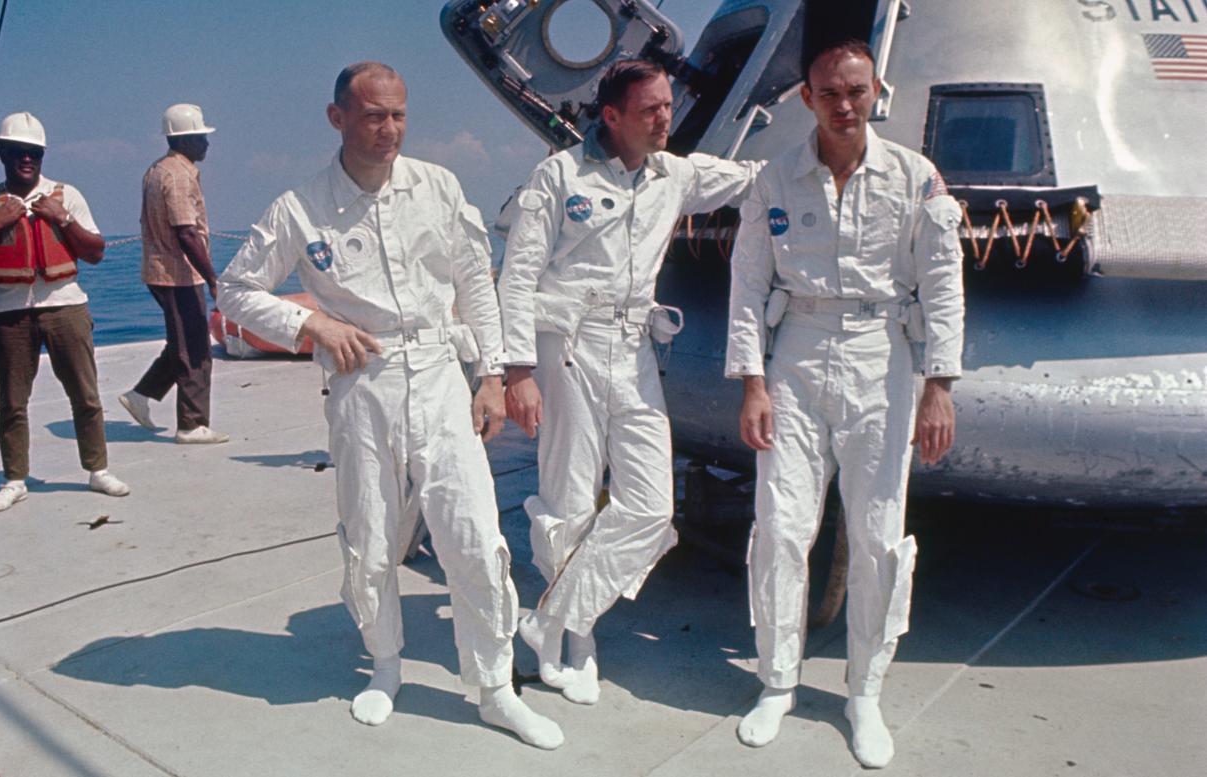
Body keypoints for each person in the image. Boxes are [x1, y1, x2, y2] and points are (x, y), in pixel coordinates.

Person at [216, 62, 563, 749]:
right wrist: (310, 324)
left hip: (439, 374)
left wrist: (491, 375)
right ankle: (386, 664)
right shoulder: (300, 208)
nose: (389, 129)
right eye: (374, 115)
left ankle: (495, 686)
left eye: (399, 114)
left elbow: (476, 283)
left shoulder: (437, 186)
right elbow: (235, 289)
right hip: (361, 384)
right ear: (337, 117)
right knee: (370, 535)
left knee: (470, 531)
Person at [725, 40, 965, 767]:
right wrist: (753, 381)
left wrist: (939, 386)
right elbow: (745, 284)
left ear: (877, 91)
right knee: (781, 525)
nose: (843, 104)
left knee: (876, 533)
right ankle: (777, 681)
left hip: (880, 351)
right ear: (807, 97)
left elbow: (945, 284)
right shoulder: (775, 178)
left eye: (856, 91)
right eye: (829, 92)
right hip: (797, 348)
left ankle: (864, 692)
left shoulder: (913, 176)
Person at [500, 58, 761, 705]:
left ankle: (551, 620)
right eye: (650, 110)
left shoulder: (676, 174)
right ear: (611, 116)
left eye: (668, 106)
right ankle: (572, 643)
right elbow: (518, 274)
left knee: (649, 506)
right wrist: (516, 372)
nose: (665, 119)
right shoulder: (558, 177)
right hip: (569, 347)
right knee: (567, 499)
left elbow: (758, 178)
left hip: (635, 347)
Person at [0, 112, 130, 513]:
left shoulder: (66, 194)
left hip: (66, 306)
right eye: (18, 152)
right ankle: (15, 478)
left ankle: (98, 469)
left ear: (42, 155)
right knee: (12, 401)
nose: (27, 159)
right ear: (2, 152)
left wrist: (63, 218)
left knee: (85, 394)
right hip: (10, 313)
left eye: (34, 153)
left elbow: (94, 251)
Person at [118, 104, 228, 444]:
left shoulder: (156, 170)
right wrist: (212, 277)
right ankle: (192, 425)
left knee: (183, 340)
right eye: (201, 138)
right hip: (178, 274)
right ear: (186, 139)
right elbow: (186, 232)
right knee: (194, 349)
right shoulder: (178, 176)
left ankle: (142, 394)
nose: (207, 145)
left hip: (160, 269)